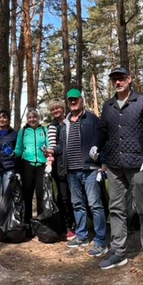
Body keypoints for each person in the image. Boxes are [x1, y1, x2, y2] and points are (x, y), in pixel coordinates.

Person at [97, 66, 143, 276]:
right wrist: (101, 154)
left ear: (129, 79)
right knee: (116, 209)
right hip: (115, 166)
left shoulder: (142, 102)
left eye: (121, 78)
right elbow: (103, 133)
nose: (118, 82)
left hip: (139, 165)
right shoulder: (108, 106)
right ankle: (118, 251)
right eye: (114, 79)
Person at [50, 88, 108, 257]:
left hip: (90, 169)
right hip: (71, 171)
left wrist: (103, 163)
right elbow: (61, 145)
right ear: (68, 103)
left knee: (95, 205)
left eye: (76, 99)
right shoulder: (65, 123)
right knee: (77, 205)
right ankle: (81, 236)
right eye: (70, 100)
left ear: (81, 100)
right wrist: (53, 151)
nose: (73, 102)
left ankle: (100, 241)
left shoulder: (92, 119)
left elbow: (103, 140)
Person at [14, 107, 50, 232]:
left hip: (41, 165)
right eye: (29, 117)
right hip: (27, 165)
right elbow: (18, 149)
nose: (32, 119)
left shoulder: (44, 130)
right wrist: (13, 154)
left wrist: (48, 155)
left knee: (40, 194)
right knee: (27, 195)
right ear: (27, 119)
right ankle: (28, 223)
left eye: (34, 117)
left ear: (38, 118)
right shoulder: (23, 131)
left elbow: (49, 147)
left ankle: (40, 223)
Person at [44, 99, 75, 240]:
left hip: (74, 164)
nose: (56, 111)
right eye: (53, 110)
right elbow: (52, 147)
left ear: (63, 108)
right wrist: (49, 161)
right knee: (63, 197)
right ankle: (67, 227)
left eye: (58, 108)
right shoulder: (52, 127)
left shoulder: (70, 122)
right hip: (59, 167)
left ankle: (77, 223)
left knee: (75, 195)